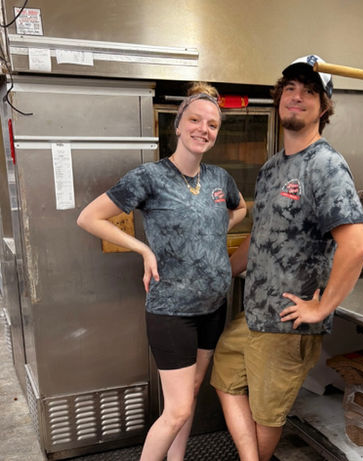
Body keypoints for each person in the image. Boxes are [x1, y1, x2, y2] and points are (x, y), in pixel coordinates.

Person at [210, 55, 363, 461]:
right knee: (224, 380)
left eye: (310, 91)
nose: (297, 97)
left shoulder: (326, 165)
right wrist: (221, 274)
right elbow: (260, 238)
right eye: (291, 89)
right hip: (254, 313)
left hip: (288, 322)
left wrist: (322, 307)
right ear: (279, 97)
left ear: (324, 107)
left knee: (267, 414)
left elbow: (356, 244)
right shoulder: (271, 168)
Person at [77, 82, 247, 461]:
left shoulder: (220, 179)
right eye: (195, 120)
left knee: (193, 390)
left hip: (213, 306)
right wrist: (142, 248)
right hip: (172, 310)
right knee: (178, 410)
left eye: (212, 125)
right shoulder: (150, 177)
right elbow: (89, 217)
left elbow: (239, 209)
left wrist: (212, 230)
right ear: (178, 125)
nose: (203, 129)